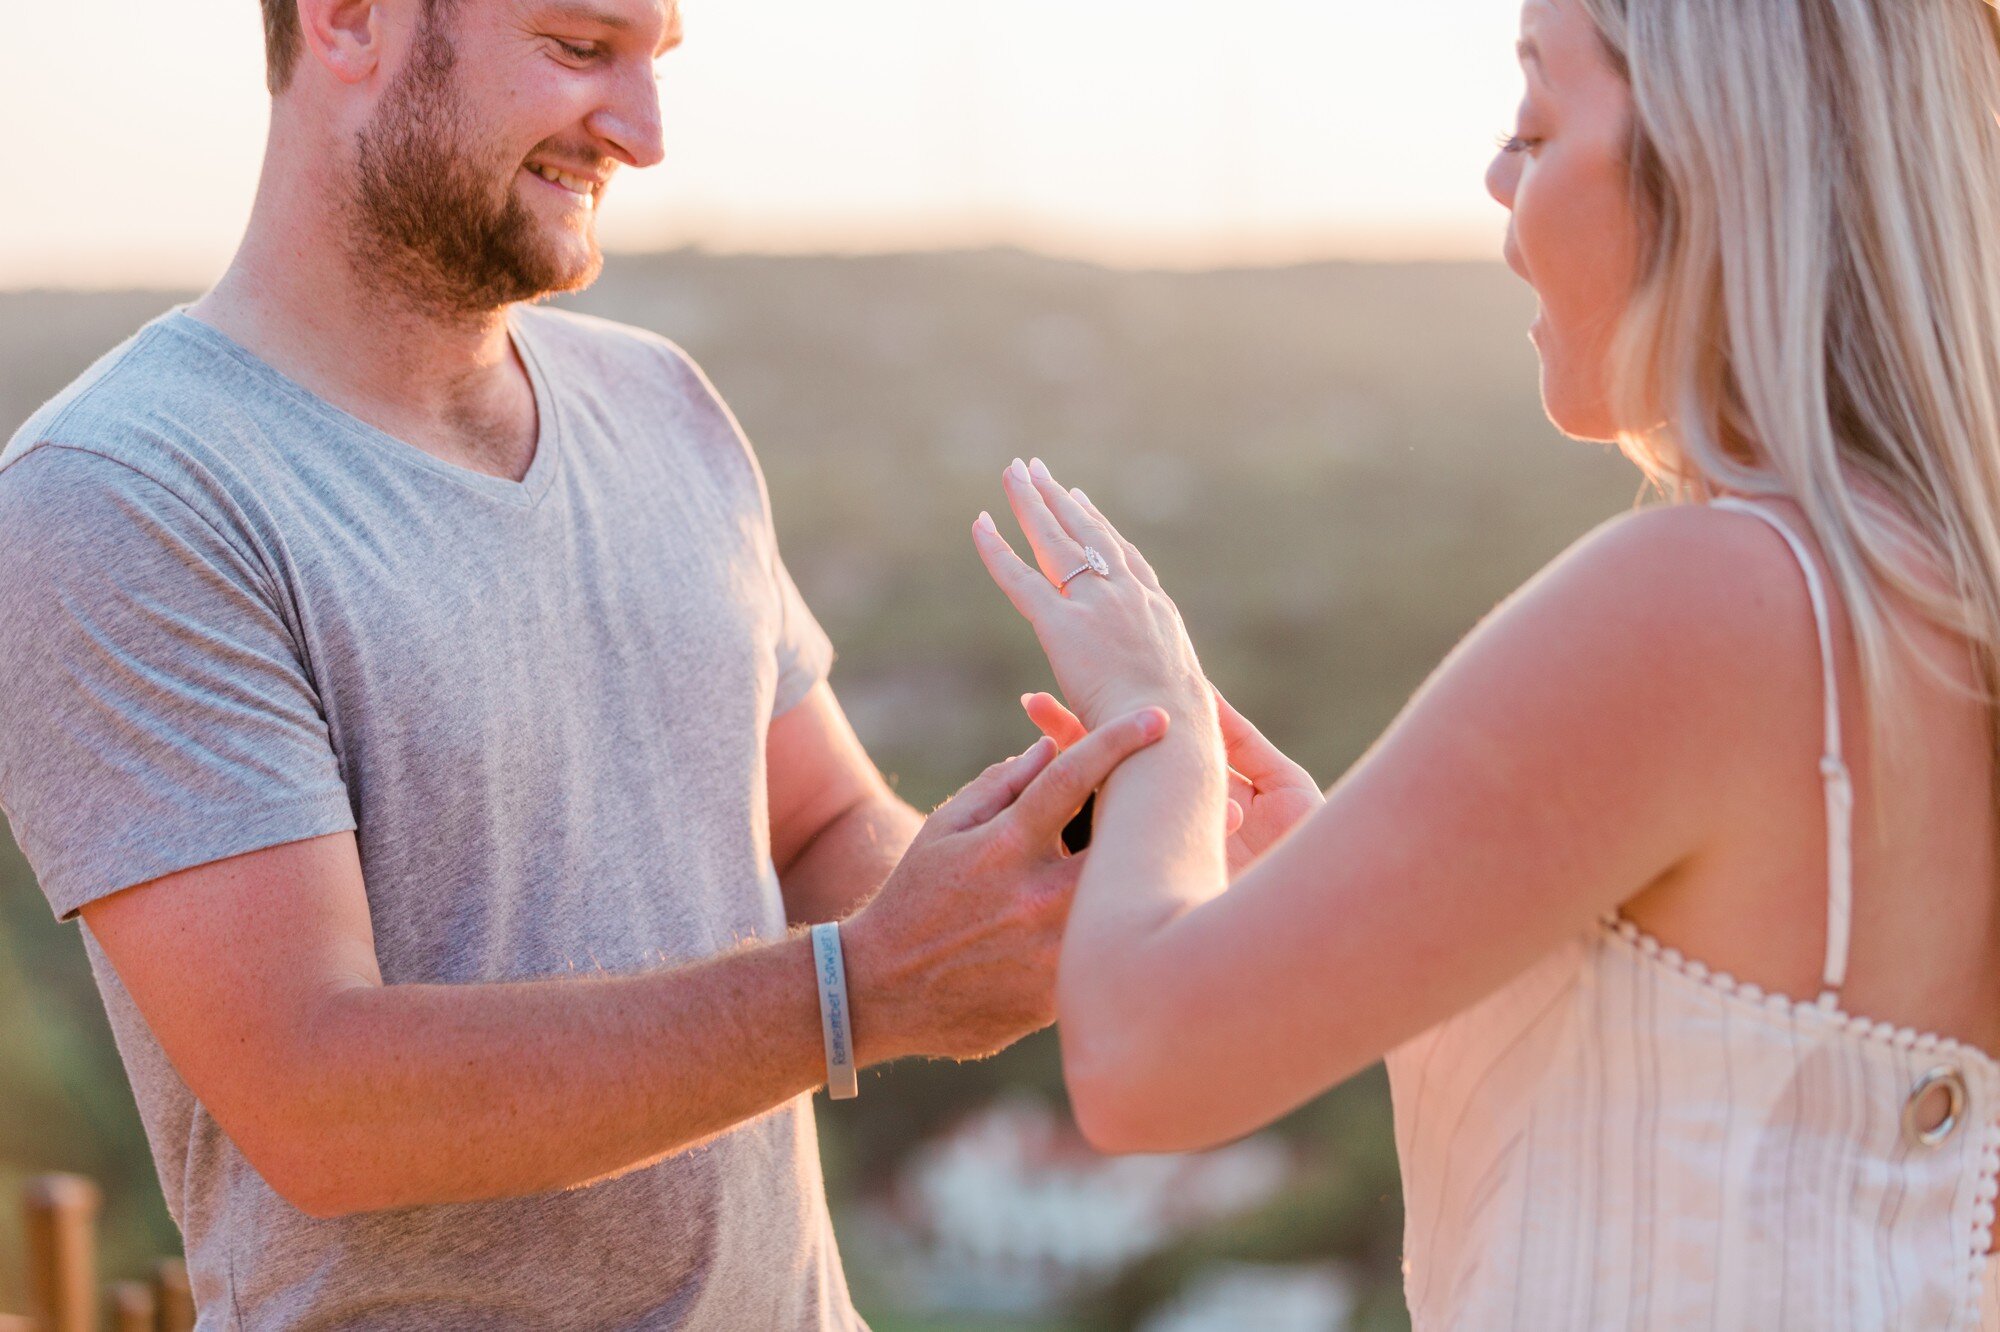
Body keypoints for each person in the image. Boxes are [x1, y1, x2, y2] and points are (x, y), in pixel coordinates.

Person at [0, 0, 1168, 1326]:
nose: (646, 135)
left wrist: (1032, 884)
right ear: (348, 19)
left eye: (654, 60)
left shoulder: (665, 406)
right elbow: (320, 1104)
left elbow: (821, 822)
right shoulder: (122, 494)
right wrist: (870, 988)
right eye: (579, 47)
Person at [974, 0, 2000, 1325]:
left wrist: (1152, 726)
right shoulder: (1938, 596)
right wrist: (1346, 877)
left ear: (1711, 155)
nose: (1497, 176)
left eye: (1535, 124)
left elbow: (1139, 1062)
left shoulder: (1705, 595)